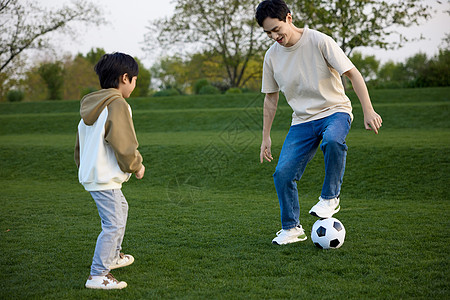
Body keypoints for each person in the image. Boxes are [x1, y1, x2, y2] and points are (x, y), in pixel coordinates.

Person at [255, 0, 382, 245]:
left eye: (276, 29)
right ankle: (292, 229)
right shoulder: (271, 57)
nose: (274, 36)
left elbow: (353, 74)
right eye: (268, 32)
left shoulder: (318, 40)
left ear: (289, 18)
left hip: (335, 111)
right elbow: (271, 99)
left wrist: (368, 110)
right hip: (302, 121)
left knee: (333, 140)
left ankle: (330, 198)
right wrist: (265, 137)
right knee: (282, 174)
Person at [74, 52, 146, 289]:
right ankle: (98, 274)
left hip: (93, 175)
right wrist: (136, 165)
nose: (134, 85)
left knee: (121, 209)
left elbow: (80, 145)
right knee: (113, 223)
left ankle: (114, 256)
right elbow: (123, 142)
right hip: (105, 177)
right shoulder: (117, 104)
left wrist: (84, 168)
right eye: (135, 80)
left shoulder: (91, 106)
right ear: (125, 78)